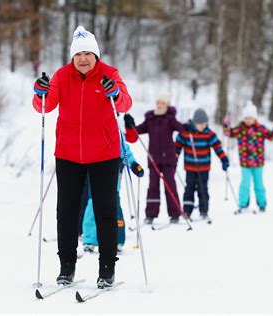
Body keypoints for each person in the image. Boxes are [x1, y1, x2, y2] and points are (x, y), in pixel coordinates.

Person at [32, 25, 132, 289]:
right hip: (68, 154)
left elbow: (125, 103)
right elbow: (45, 104)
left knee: (105, 211)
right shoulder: (62, 76)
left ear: (96, 55)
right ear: (72, 57)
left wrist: (116, 93)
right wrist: (39, 91)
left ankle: (107, 269)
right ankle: (66, 267)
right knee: (66, 212)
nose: (83, 59)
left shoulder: (109, 74)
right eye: (78, 54)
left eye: (88, 53)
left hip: (104, 155)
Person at [124, 94, 185, 224]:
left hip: (168, 159)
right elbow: (136, 132)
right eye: (158, 103)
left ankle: (175, 214)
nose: (159, 105)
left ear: (167, 105)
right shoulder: (150, 119)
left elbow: (181, 128)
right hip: (154, 159)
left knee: (170, 185)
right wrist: (130, 125)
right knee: (153, 187)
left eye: (162, 103)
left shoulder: (170, 119)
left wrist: (188, 126)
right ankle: (150, 214)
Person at [82, 140, 144, 253]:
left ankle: (117, 240)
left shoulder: (117, 138)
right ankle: (90, 240)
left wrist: (134, 165)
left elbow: (126, 153)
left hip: (113, 184)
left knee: (115, 211)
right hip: (95, 181)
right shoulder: (93, 135)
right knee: (92, 208)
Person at [224, 102, 273, 213]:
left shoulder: (260, 128)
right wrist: (226, 124)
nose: (248, 120)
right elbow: (228, 133)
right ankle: (243, 204)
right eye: (246, 118)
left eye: (251, 118)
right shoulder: (240, 128)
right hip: (245, 163)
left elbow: (272, 136)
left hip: (258, 163)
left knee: (259, 184)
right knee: (245, 184)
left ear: (255, 118)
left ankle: (262, 204)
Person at [175, 109, 229, 220]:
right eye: (200, 124)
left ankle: (203, 211)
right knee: (189, 189)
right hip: (190, 167)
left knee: (202, 189)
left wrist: (224, 160)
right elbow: (177, 146)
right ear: (194, 123)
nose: (202, 126)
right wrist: (173, 159)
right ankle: (187, 211)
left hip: (204, 168)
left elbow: (218, 148)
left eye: (204, 124)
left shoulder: (209, 134)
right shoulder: (186, 133)